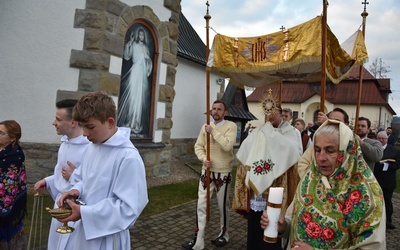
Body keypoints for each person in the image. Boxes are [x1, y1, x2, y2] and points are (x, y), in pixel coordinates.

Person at [261, 120, 386, 249]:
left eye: (330, 150)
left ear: (347, 151)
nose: (321, 158)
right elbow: (293, 222)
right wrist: (283, 227)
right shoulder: (310, 179)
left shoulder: (368, 194)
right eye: (317, 149)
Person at [56, 92, 148, 249]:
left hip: (106, 237)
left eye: (90, 127)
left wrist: (85, 213)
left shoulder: (128, 157)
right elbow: (82, 179)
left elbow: (129, 208)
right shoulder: (92, 147)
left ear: (110, 122)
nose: (85, 134)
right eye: (83, 127)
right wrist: (76, 191)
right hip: (81, 230)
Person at [236, 106, 301, 250]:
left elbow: (293, 153)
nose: (270, 116)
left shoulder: (290, 132)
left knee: (274, 230)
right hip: (257, 194)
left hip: (278, 189)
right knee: (255, 229)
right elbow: (245, 150)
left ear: (281, 115)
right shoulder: (258, 131)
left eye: (274, 113)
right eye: (267, 113)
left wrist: (271, 135)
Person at [34, 99, 90, 250]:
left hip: (76, 208)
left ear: (73, 122)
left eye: (58, 119)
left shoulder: (89, 147)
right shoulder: (65, 144)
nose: (54, 123)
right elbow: (61, 175)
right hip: (60, 204)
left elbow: (95, 180)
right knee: (56, 242)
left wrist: (74, 175)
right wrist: (48, 181)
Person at [182, 100, 237, 250]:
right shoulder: (204, 127)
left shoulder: (231, 126)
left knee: (222, 206)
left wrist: (212, 131)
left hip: (223, 172)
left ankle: (224, 234)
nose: (216, 111)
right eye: (214, 109)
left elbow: (227, 146)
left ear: (225, 112)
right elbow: (198, 146)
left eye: (220, 109)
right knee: (201, 205)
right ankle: (199, 239)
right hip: (206, 172)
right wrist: (203, 159)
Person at [117, 27, 153, 137]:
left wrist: (148, 59)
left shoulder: (146, 47)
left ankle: (137, 124)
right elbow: (127, 56)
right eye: (140, 35)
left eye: (143, 35)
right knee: (132, 97)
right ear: (137, 35)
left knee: (140, 99)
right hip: (135, 72)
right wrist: (130, 42)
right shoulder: (134, 44)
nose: (141, 37)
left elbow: (149, 64)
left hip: (142, 75)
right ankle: (128, 122)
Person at [0, 120, 27, 250]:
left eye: (1, 133)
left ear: (12, 138)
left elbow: (9, 186)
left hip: (6, 206)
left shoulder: (14, 157)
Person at [374, 131, 400, 230]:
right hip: (375, 179)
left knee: (387, 202)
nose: (381, 140)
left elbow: (398, 164)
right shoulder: (374, 149)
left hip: (388, 181)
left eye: (383, 138)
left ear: (387, 139)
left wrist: (389, 165)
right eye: (379, 138)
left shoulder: (394, 151)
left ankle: (388, 221)